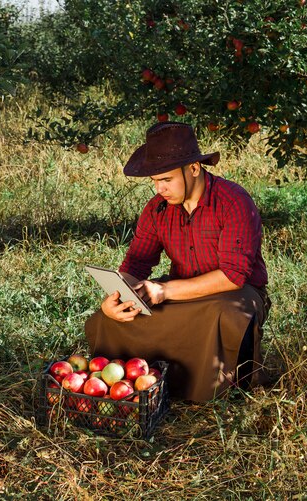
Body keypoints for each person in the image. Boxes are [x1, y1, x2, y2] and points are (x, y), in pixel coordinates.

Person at [84, 121, 272, 402]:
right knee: (106, 321)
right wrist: (118, 297)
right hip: (182, 288)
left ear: (194, 169)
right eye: (155, 181)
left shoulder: (233, 201)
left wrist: (164, 291)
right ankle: (132, 385)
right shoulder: (156, 209)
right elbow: (136, 265)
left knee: (226, 314)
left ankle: (224, 390)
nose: (159, 188)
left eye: (167, 179)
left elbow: (233, 276)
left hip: (236, 293)